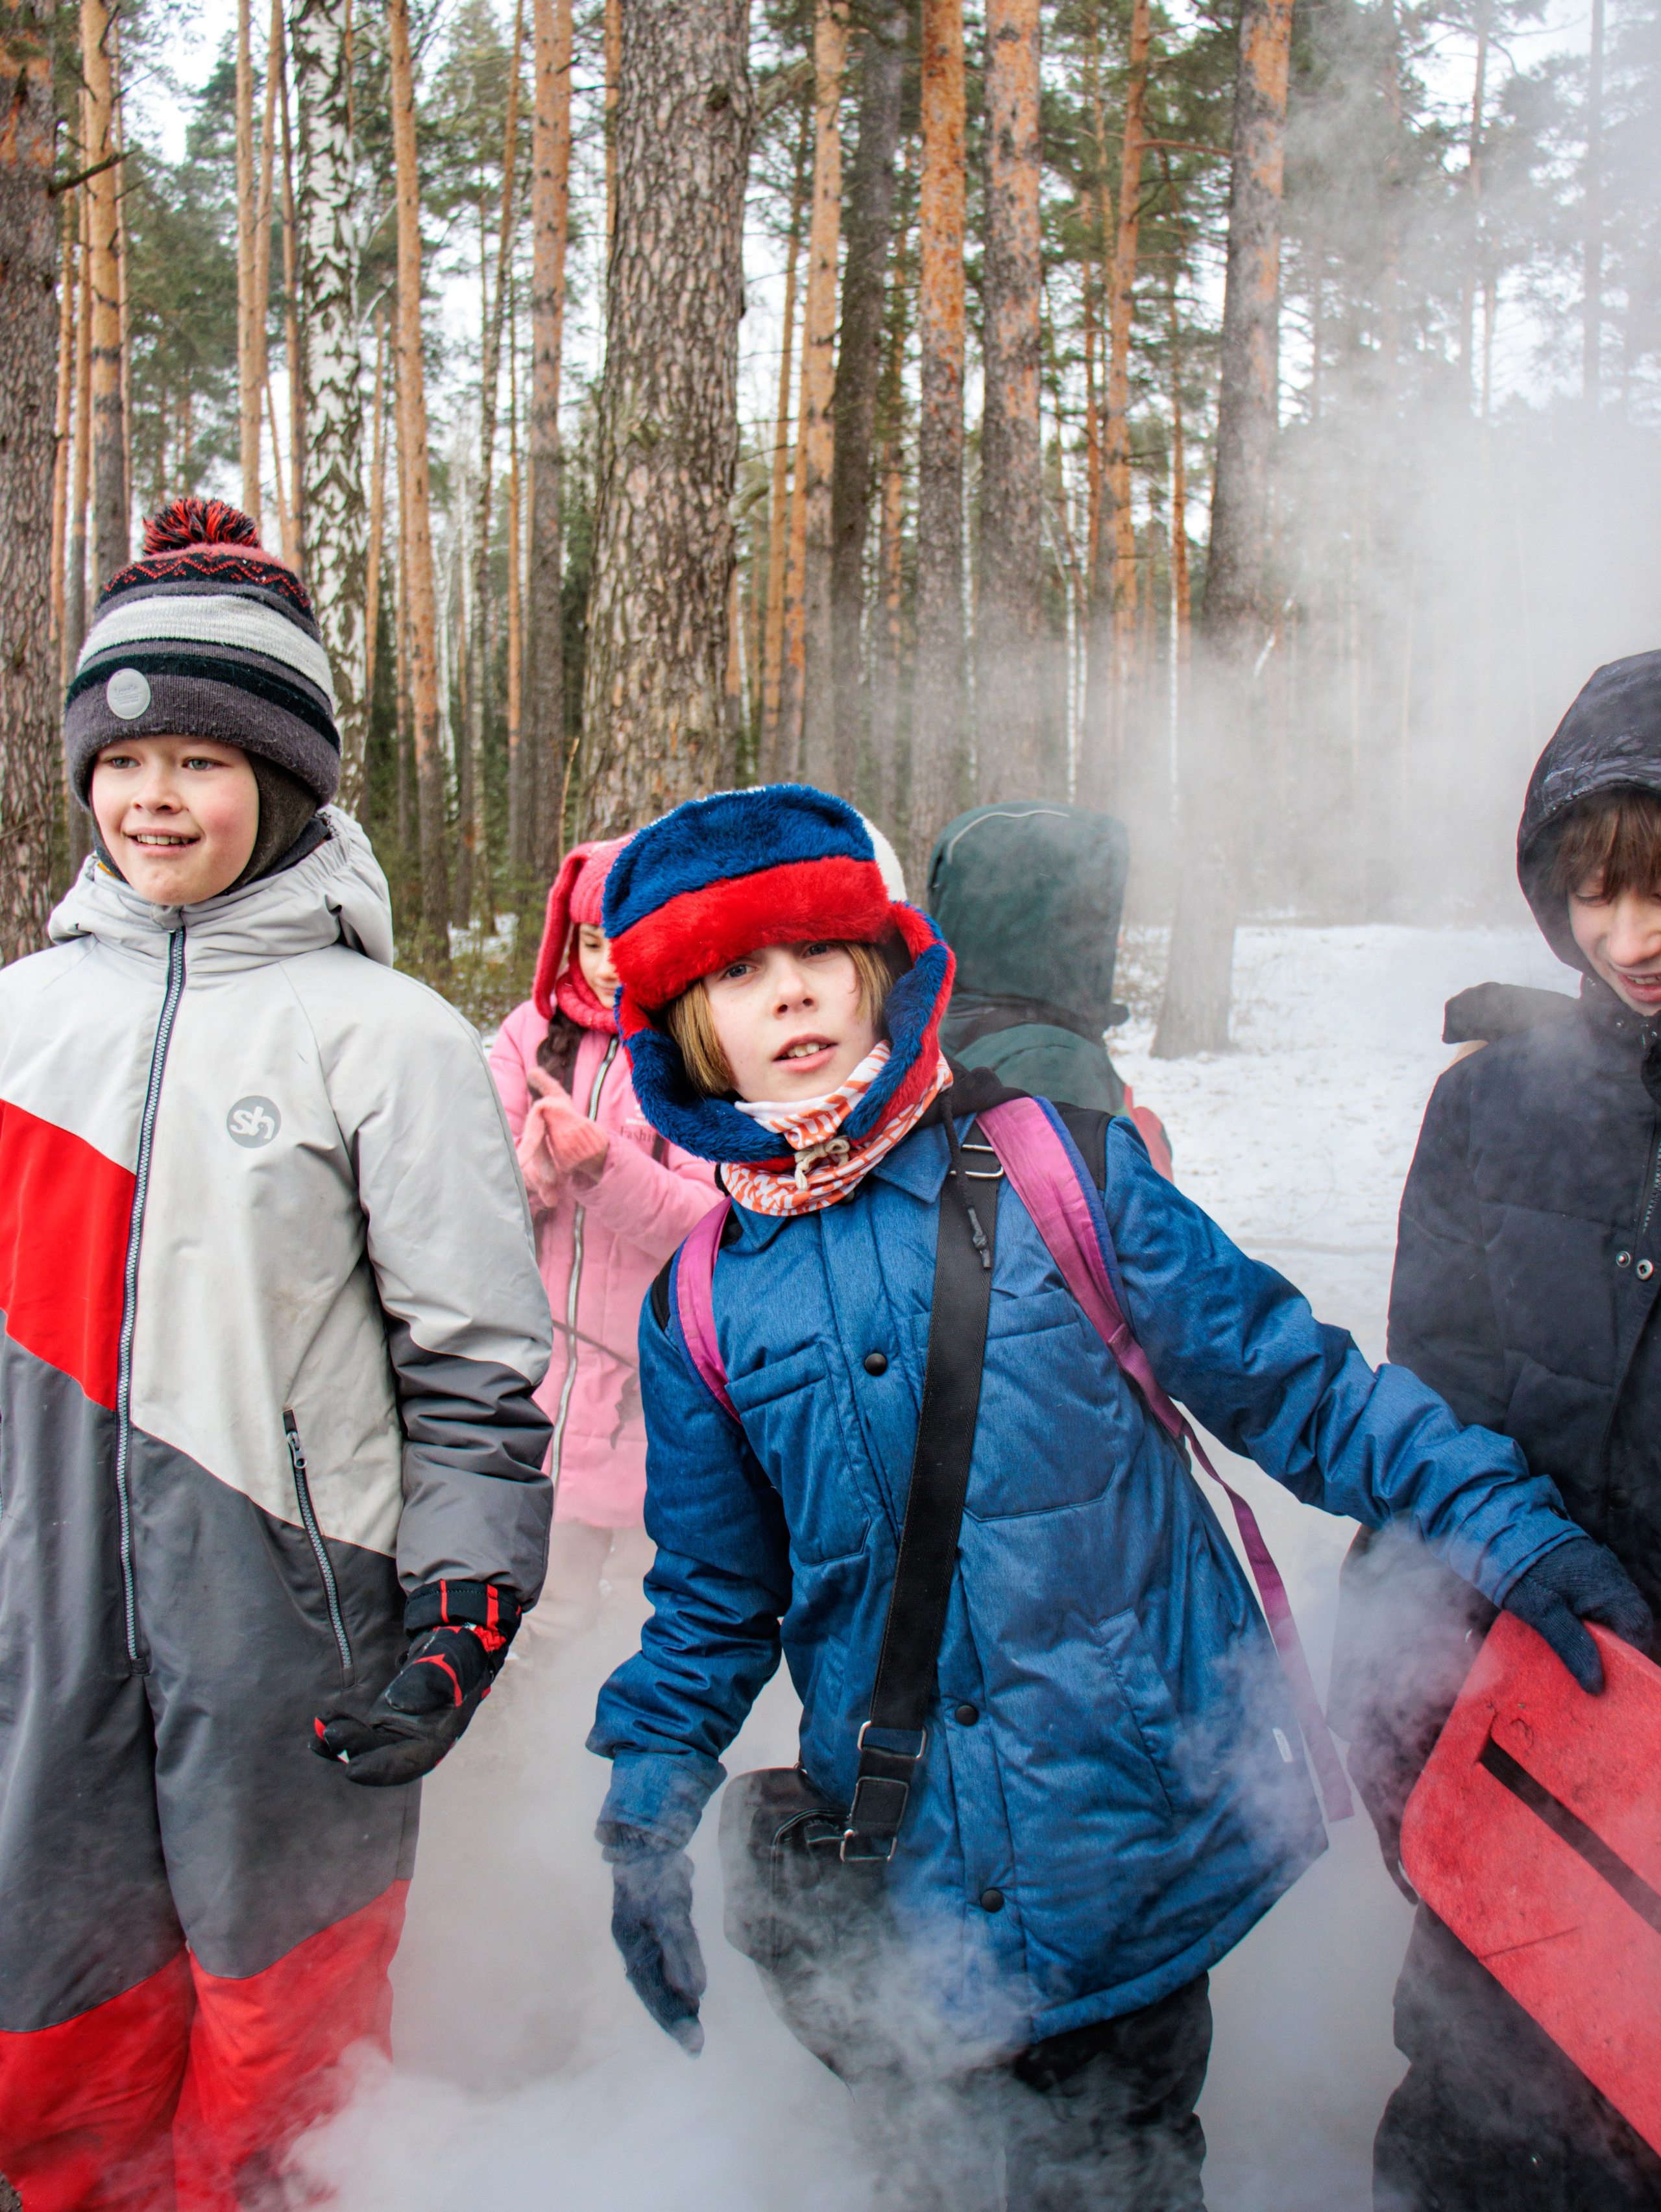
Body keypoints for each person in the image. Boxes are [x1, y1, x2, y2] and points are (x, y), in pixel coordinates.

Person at [583, 782, 1649, 2212]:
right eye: (734, 974)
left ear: (881, 970)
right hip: (905, 1877)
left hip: (1122, 1851)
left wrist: (1505, 1526)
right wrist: (645, 1805)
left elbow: (1301, 1391)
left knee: (1118, 2181)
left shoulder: (1052, 1172)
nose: (787, 1000)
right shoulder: (704, 1306)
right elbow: (713, 1600)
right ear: (681, 1027)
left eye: (814, 958)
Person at [0, 498, 553, 2209]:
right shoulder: (19, 1020)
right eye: (124, 755)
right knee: (50, 2049)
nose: (154, 795)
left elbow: (472, 1370)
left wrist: (463, 1608)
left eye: (202, 758)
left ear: (288, 782)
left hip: (293, 1646)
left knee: (285, 2076)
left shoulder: (383, 1039)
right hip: (37, 1635)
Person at [1330, 649, 1661, 2212]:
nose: (1630, 936)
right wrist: (1387, 1712)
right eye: (1590, 891)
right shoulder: (1487, 1109)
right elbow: (1422, 1428)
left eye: (1660, 885)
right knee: (1471, 2143)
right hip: (1522, 1758)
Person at [490, 841, 719, 1652]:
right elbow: (470, 1203)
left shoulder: (705, 1048)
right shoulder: (527, 1036)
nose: (610, 964)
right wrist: (527, 1180)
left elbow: (711, 1227)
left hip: (660, 1388)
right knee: (545, 1612)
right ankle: (529, 1759)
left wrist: (599, 1165)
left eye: (629, 939)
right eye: (592, 942)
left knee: (649, 1612)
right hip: (546, 1383)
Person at [928, 799, 1172, 1172]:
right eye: (1101, 925)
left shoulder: (971, 1035)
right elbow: (1101, 1214)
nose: (1117, 942)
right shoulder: (1053, 1065)